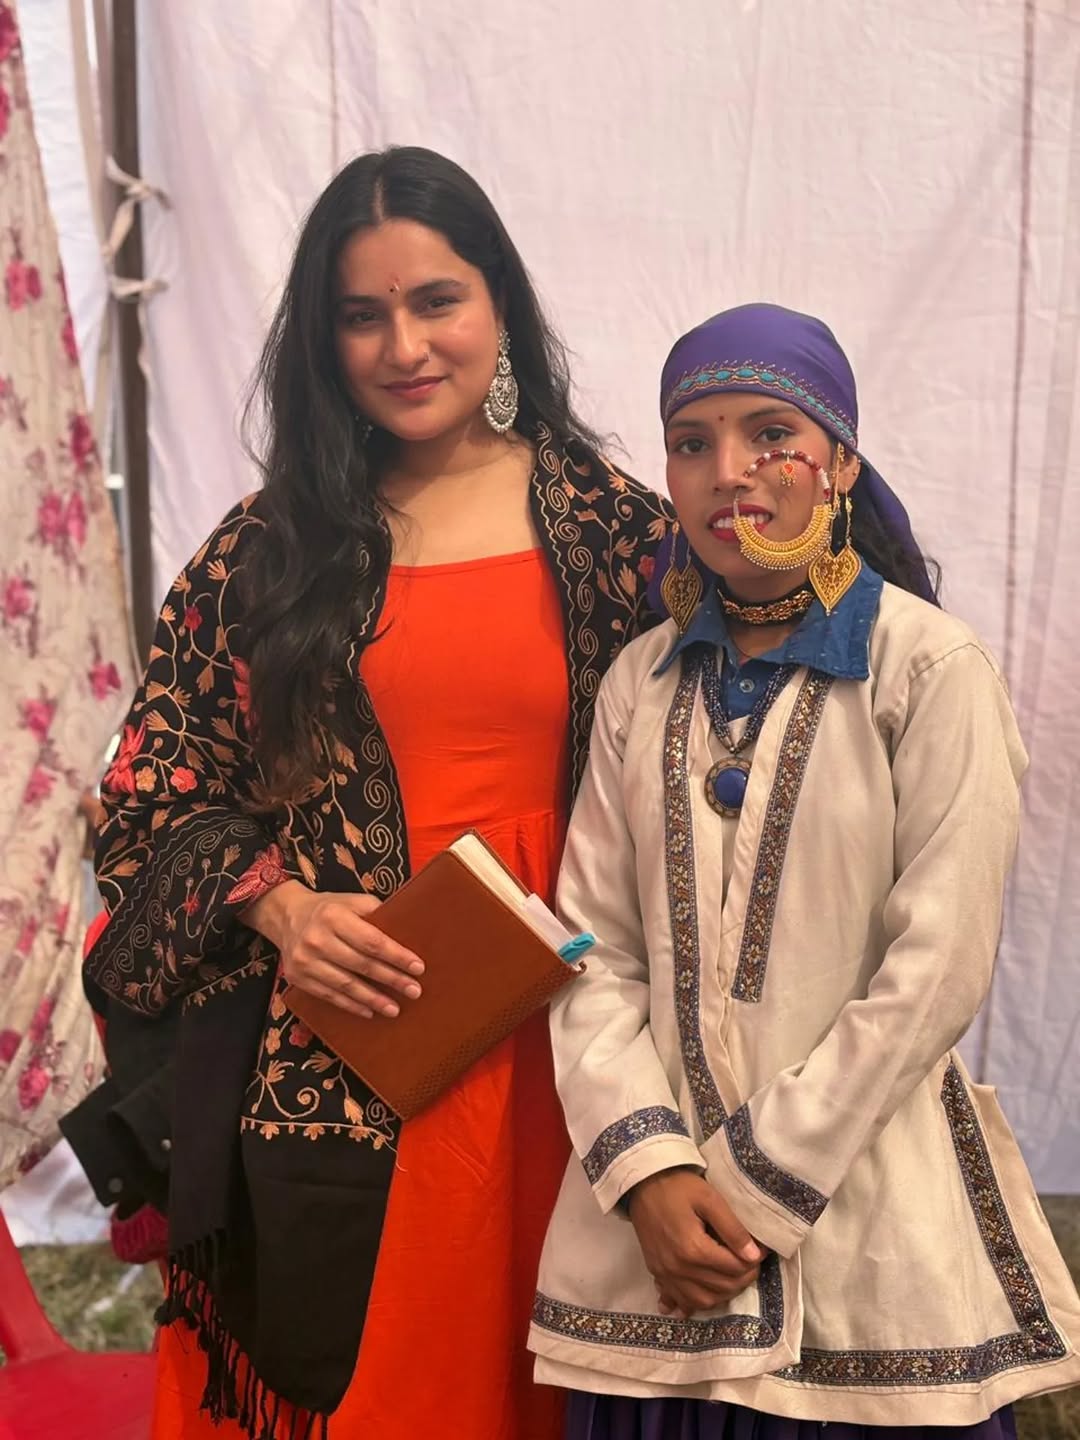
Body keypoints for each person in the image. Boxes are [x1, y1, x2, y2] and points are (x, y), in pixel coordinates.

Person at [80, 146, 672, 1440]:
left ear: (499, 303)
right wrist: (282, 910)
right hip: (357, 1046)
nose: (404, 347)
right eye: (362, 315)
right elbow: (147, 795)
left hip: (580, 1042)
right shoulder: (269, 550)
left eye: (436, 301)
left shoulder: (619, 533)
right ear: (323, 338)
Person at [528, 303, 1080, 1437]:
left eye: (771, 434)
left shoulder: (929, 667)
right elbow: (590, 949)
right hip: (657, 1260)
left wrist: (744, 1187)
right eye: (693, 443)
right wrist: (651, 1174)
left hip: (869, 1254)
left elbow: (937, 965)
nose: (729, 472)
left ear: (842, 464)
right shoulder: (640, 681)